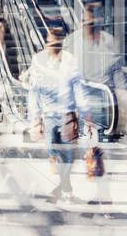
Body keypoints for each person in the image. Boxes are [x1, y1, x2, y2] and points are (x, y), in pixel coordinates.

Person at [25, 30, 85, 203]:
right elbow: (34, 91)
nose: (52, 46)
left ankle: (64, 189)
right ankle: (66, 187)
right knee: (55, 152)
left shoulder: (70, 61)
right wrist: (35, 119)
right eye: (49, 42)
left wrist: (82, 112)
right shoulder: (39, 61)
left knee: (68, 154)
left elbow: (78, 86)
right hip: (50, 114)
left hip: (68, 114)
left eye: (56, 43)